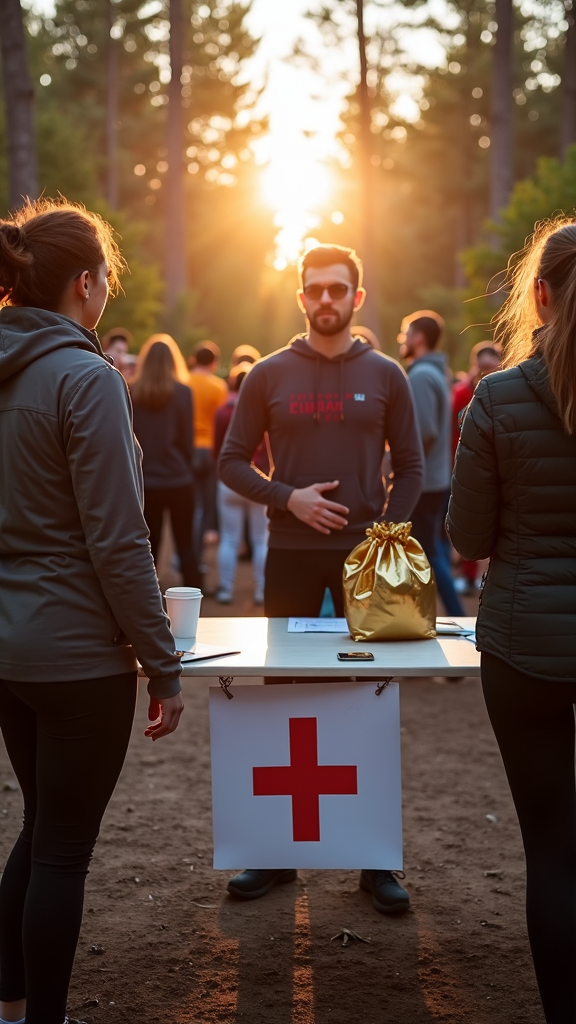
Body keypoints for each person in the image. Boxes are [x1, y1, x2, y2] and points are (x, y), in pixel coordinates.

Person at [0, 199, 183, 1024]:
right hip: (78, 658)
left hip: (8, 652)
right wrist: (163, 660)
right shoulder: (86, 379)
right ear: (85, 284)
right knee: (63, 852)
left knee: (41, 832)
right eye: (107, 273)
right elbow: (119, 541)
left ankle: (7, 1003)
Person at [219, 243, 424, 911]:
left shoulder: (388, 374)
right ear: (301, 297)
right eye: (315, 290)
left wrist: (382, 536)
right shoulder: (268, 375)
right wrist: (289, 498)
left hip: (368, 567)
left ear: (357, 298)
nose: (326, 300)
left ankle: (376, 862)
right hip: (290, 554)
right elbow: (230, 462)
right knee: (283, 696)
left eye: (338, 289)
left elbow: (415, 470)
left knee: (372, 696)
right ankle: (275, 856)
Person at [447, 217, 576, 1024]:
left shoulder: (495, 398)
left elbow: (466, 537)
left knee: (551, 849)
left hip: (525, 644)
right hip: (529, 638)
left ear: (538, 295)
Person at [397, 310, 465, 617]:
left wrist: (393, 461)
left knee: (428, 552)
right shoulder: (435, 372)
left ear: (419, 338)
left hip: (422, 482)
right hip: (433, 478)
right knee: (429, 549)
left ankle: (455, 615)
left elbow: (423, 432)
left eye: (406, 333)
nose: (403, 339)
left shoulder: (422, 376)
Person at [131, 334, 202, 589]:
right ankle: (194, 598)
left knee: (150, 546)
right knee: (186, 544)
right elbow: (187, 441)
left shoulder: (132, 391)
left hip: (146, 481)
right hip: (179, 479)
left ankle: (147, 601)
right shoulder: (183, 393)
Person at [213, 362, 269, 605]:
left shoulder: (223, 410)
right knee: (260, 539)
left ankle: (225, 589)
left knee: (229, 538)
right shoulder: (267, 410)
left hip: (230, 481)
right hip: (260, 479)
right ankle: (261, 590)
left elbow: (218, 450)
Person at [451, 342, 501, 594]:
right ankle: (469, 576)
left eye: (491, 368)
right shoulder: (462, 393)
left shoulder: (507, 394)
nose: (485, 374)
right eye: (481, 369)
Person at [188, 341, 228, 555]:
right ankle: (200, 549)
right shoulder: (218, 386)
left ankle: (188, 549)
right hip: (211, 449)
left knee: (193, 505)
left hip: (189, 448)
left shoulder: (184, 380)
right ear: (213, 363)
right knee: (209, 500)